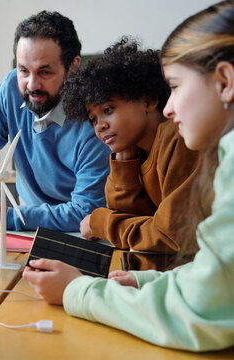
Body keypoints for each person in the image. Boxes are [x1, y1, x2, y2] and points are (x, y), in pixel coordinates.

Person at [23, 0, 234, 351]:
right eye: (93, 119)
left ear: (225, 81)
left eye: (177, 86)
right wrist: (121, 157)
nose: (170, 107)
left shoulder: (182, 143)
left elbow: (175, 253)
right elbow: (212, 275)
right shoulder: (141, 151)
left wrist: (79, 289)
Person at [0, 10, 110, 232]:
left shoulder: (96, 120)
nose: (31, 85)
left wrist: (13, 216)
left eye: (44, 72)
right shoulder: (10, 88)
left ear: (73, 67)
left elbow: (85, 211)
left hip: (81, 230)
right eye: (23, 71)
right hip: (30, 222)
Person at [62, 38, 200, 253]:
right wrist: (124, 163)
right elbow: (134, 224)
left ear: (148, 101)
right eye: (93, 119)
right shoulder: (135, 150)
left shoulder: (178, 138)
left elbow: (170, 237)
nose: (100, 126)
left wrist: (100, 223)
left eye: (108, 110)